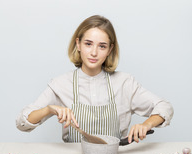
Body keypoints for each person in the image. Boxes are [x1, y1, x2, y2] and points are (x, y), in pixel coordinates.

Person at [16, 15, 174, 143]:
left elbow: (164, 107)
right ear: (78, 44)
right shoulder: (60, 84)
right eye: (88, 44)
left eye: (102, 46)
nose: (93, 52)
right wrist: (49, 109)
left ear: (110, 50)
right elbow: (22, 123)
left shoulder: (125, 83)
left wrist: (147, 124)